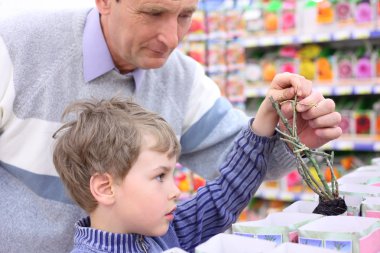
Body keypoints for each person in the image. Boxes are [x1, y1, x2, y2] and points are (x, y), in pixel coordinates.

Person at [0, 0, 342, 252]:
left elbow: (229, 186)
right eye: (153, 13)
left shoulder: (162, 230)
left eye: (185, 16)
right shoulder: (14, 44)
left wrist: (283, 130)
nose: (171, 38)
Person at [52, 83, 314, 253]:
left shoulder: (164, 230)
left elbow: (222, 196)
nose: (175, 191)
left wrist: (264, 122)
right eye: (159, 176)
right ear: (106, 187)